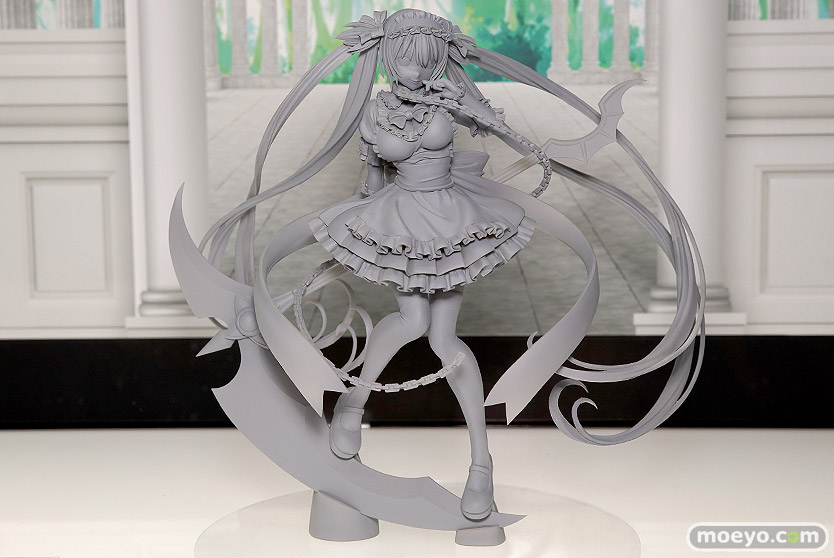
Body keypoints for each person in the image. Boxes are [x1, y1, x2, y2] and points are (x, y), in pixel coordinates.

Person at [198, 8, 704, 522]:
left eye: (426, 61)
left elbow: (505, 133)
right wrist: (362, 229)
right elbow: (372, 180)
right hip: (402, 218)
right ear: (387, 58)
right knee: (413, 322)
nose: (415, 71)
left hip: (452, 219)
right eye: (405, 60)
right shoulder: (376, 113)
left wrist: (469, 105)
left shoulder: (448, 98)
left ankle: (478, 460)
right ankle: (356, 406)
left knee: (442, 338)